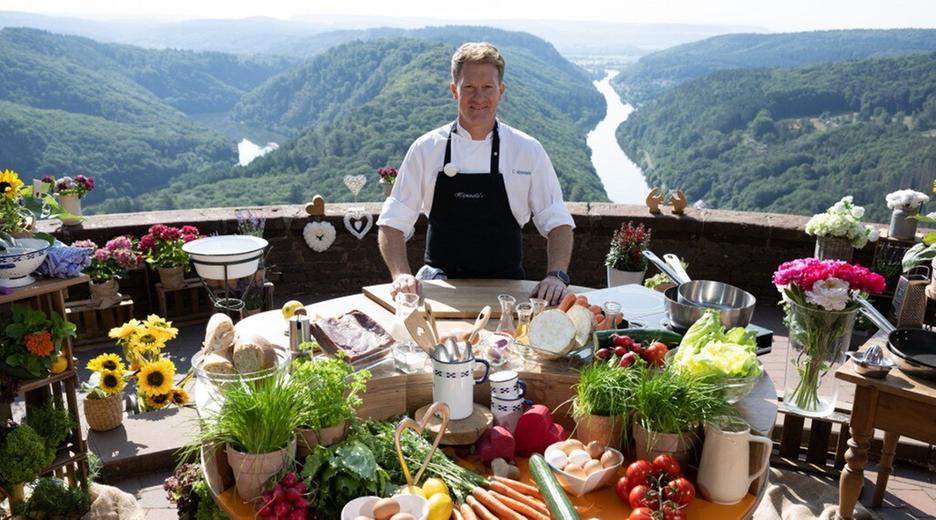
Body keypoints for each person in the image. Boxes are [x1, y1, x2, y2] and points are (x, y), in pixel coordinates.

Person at [376, 42, 574, 305]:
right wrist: (401, 274)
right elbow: (392, 223)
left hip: (508, 292)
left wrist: (556, 275)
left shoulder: (528, 150)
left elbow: (557, 221)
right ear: (454, 91)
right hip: (440, 288)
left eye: (487, 87)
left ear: (501, 91)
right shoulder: (426, 149)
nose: (478, 97)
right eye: (469, 87)